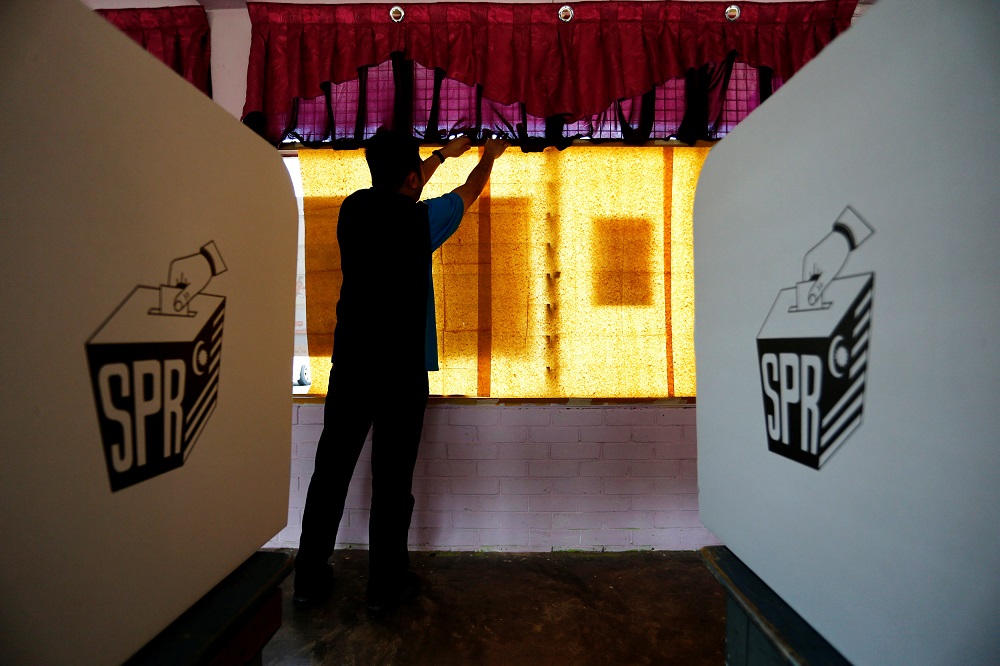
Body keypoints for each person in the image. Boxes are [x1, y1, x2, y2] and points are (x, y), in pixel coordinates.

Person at [292, 129, 509, 615]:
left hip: (352, 365)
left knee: (330, 473)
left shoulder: (352, 209)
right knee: (392, 481)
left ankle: (307, 579)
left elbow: (402, 186)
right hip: (400, 372)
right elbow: (468, 192)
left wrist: (439, 156)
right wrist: (487, 156)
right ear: (412, 179)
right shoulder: (420, 221)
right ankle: (385, 587)